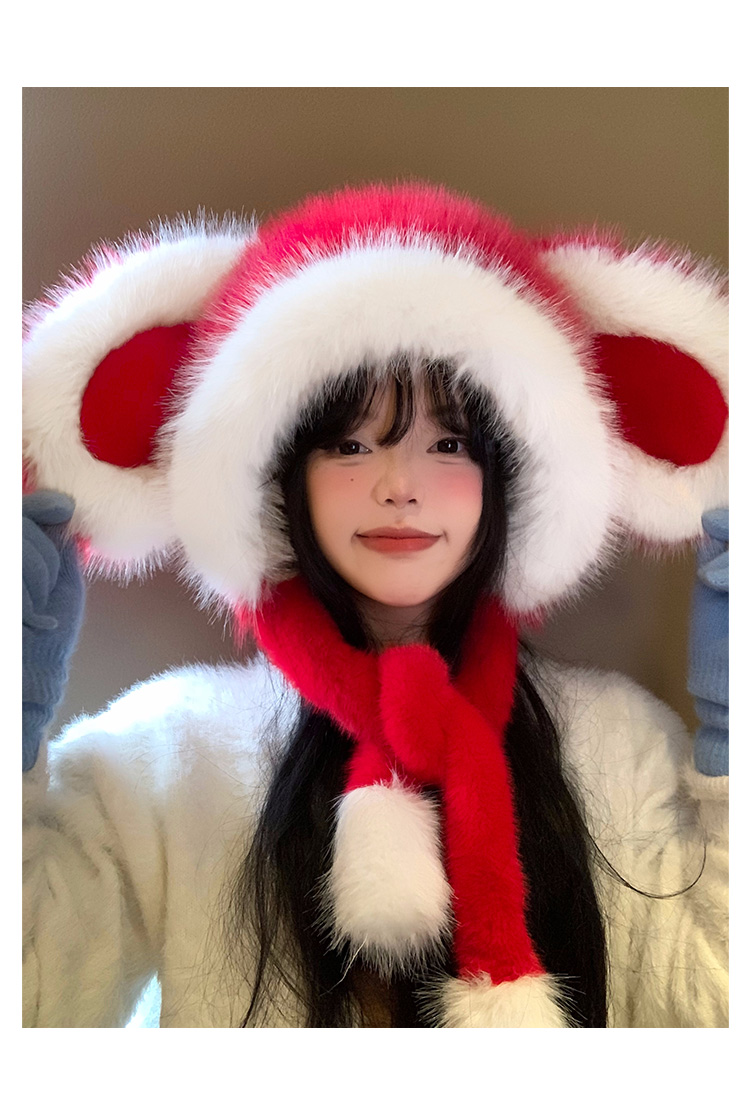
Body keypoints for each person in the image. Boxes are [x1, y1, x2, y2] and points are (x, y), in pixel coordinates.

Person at [22, 182, 728, 1028]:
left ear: (509, 474)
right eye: (350, 443)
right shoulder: (162, 754)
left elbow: (715, 1008)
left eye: (449, 442)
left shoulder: (618, 744)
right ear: (282, 473)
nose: (398, 485)